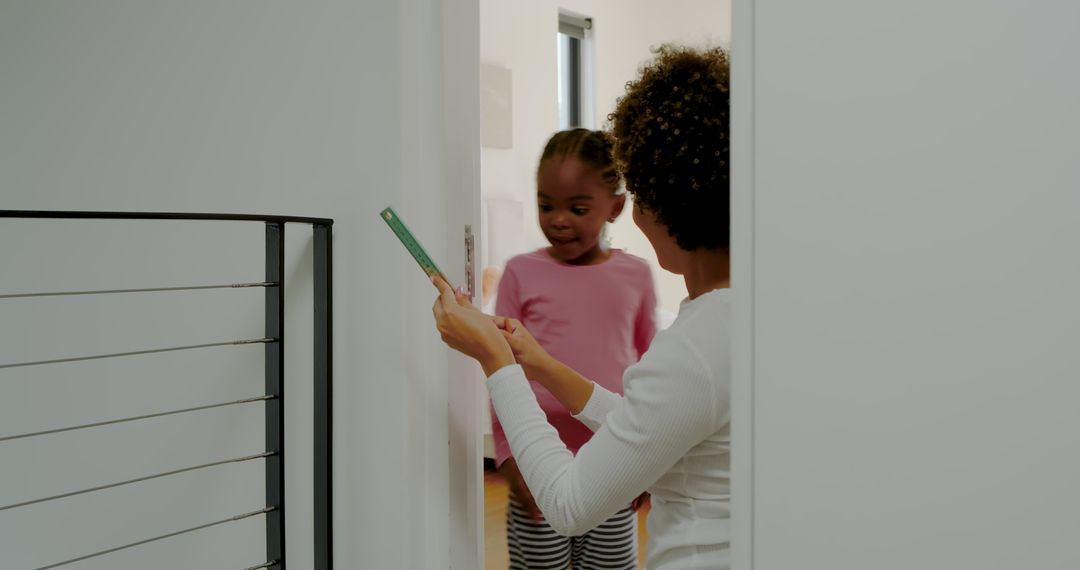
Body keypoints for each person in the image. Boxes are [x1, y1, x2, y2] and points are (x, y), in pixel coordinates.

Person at [432, 45, 731, 569]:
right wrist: (541, 364)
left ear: (664, 199)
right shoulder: (737, 324)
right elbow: (653, 420)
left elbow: (569, 504)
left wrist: (495, 360)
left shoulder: (697, 348)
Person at [490, 128, 658, 570]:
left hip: (613, 466)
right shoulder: (519, 274)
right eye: (546, 205)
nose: (558, 219)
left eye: (577, 208)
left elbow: (649, 369)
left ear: (615, 207)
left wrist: (648, 462)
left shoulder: (636, 275)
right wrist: (509, 457)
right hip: (537, 467)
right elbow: (499, 370)